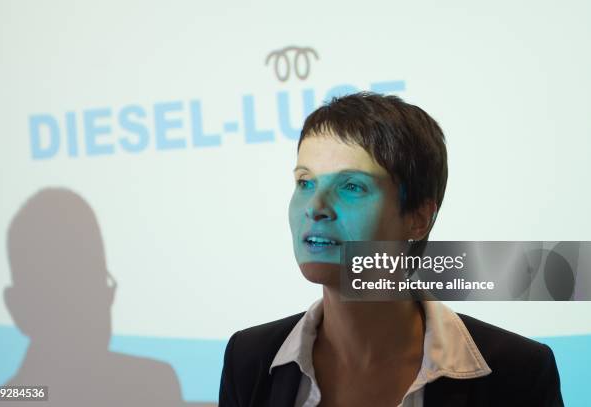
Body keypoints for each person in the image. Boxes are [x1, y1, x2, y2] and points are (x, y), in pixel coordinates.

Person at [218, 92, 563, 406]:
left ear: (418, 217)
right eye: (305, 182)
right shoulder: (249, 359)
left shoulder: (520, 373)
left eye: (351, 186)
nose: (316, 206)